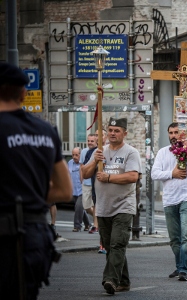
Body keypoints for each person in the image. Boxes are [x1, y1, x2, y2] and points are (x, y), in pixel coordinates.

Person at [0, 62, 72, 299]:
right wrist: (29, 193)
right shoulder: (45, 130)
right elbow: (64, 190)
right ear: (23, 93)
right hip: (34, 237)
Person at [82, 117, 140, 294]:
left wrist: (109, 177)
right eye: (111, 130)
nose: (113, 133)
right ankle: (123, 281)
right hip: (103, 207)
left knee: (117, 244)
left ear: (125, 133)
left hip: (124, 206)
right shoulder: (100, 151)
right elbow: (84, 174)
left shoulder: (131, 152)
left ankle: (110, 280)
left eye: (117, 130)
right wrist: (94, 161)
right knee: (110, 245)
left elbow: (132, 177)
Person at [151, 123, 187, 281]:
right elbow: (154, 173)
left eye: (176, 132)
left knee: (186, 236)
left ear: (182, 134)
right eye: (171, 133)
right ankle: (179, 265)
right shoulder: (163, 152)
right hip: (169, 200)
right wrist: (172, 173)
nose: (174, 135)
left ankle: (184, 270)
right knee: (174, 238)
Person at [80, 134, 99, 234]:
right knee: (86, 206)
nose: (90, 143)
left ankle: (96, 225)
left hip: (95, 182)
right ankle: (99, 218)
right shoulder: (85, 151)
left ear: (96, 142)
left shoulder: (98, 151)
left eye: (92, 141)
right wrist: (81, 178)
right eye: (88, 141)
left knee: (96, 204)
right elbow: (82, 166)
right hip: (87, 181)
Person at [69, 147, 91, 232]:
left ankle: (77, 226)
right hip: (74, 190)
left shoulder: (84, 164)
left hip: (82, 189)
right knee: (81, 208)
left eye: (76, 155)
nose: (74, 157)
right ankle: (88, 224)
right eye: (73, 155)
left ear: (80, 155)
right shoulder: (70, 163)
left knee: (78, 207)